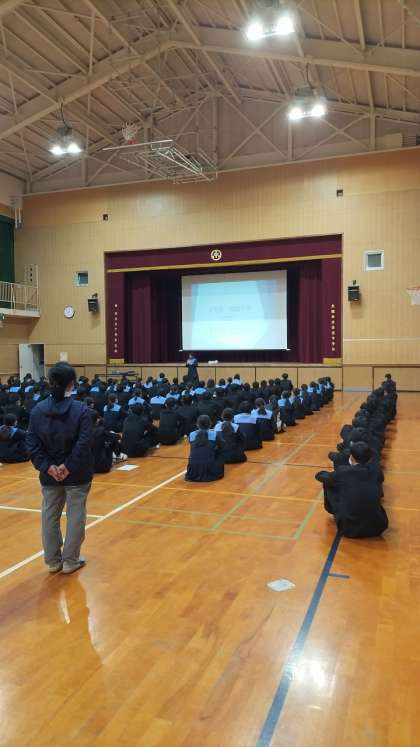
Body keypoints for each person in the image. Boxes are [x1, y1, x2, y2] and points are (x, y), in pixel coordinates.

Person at [26, 362, 93, 574]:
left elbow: (32, 444)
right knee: (76, 515)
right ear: (71, 383)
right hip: (77, 473)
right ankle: (71, 561)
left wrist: (48, 467)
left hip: (50, 474)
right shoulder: (81, 410)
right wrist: (67, 466)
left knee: (49, 515)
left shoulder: (37, 410)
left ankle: (53, 561)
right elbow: (84, 443)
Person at [315, 442, 388, 539]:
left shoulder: (344, 472)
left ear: (352, 457)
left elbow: (319, 476)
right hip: (377, 527)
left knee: (329, 483)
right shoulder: (377, 472)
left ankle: (334, 511)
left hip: (349, 529)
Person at [186, 414, 224, 482]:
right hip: (209, 468)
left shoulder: (191, 434)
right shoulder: (215, 434)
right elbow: (222, 447)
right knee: (219, 454)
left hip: (193, 469)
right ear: (210, 424)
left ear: (197, 424)